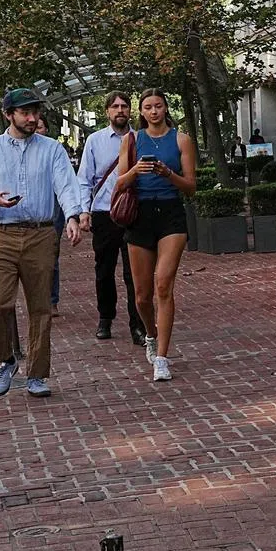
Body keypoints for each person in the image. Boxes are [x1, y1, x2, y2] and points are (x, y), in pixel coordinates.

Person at [0, 88, 85, 398]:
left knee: (40, 308)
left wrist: (73, 216)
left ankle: (37, 374)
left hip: (41, 234)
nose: (33, 118)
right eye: (25, 112)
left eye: (36, 112)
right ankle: (7, 359)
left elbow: (66, 185)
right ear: (9, 114)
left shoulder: (53, 149)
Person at [114, 88, 196, 382]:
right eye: (148, 107)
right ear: (141, 111)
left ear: (165, 108)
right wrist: (137, 170)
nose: (153, 112)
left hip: (171, 214)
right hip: (140, 215)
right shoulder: (132, 140)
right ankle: (150, 334)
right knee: (142, 297)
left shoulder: (181, 139)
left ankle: (162, 357)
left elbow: (190, 186)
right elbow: (120, 184)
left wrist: (167, 174)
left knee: (163, 284)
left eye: (158, 106)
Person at [77, 91, 144, 344]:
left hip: (134, 214)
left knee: (134, 272)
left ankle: (137, 325)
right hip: (104, 213)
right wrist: (84, 211)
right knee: (104, 270)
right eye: (115, 106)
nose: (120, 110)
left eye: (124, 106)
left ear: (130, 110)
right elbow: (84, 180)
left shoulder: (141, 139)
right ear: (107, 111)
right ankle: (105, 318)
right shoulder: (95, 141)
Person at [36, 116, 66, 317]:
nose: (37, 130)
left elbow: (65, 183)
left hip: (53, 206)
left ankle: (51, 299)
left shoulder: (54, 150)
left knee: (51, 254)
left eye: (40, 126)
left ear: (46, 129)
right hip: (29, 212)